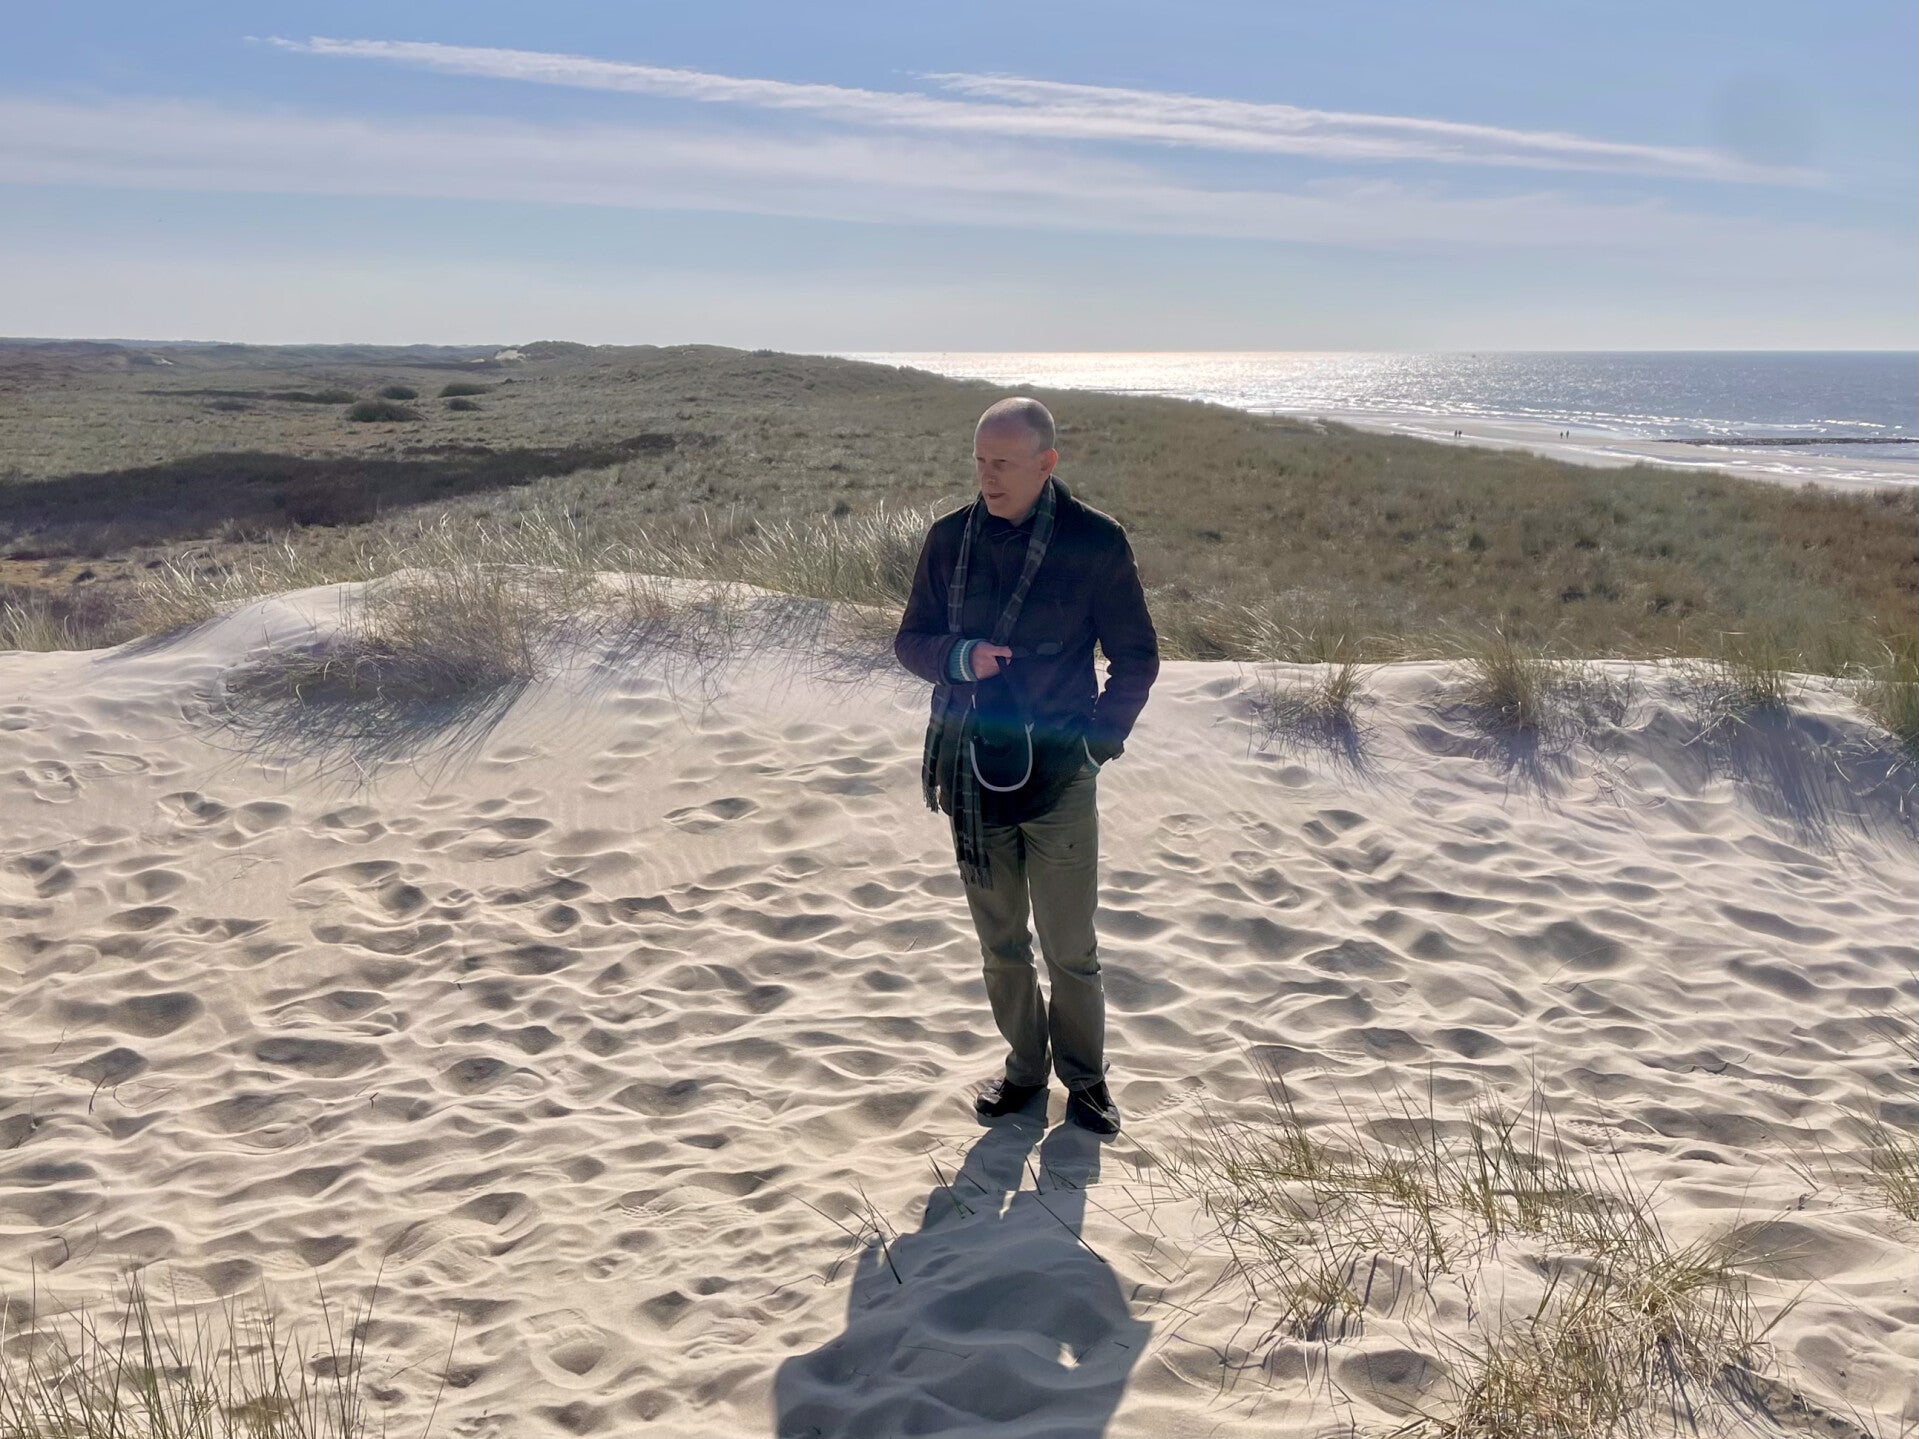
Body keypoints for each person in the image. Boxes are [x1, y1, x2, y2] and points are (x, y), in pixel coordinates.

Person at [893, 397, 1159, 1135]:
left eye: (1004, 463)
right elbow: (910, 640)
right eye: (980, 461)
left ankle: (1086, 1081)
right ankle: (1023, 1071)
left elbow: (1136, 658)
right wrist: (959, 657)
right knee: (1001, 944)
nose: (988, 477)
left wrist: (1097, 744)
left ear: (1046, 463)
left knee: (1070, 947)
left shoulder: (1095, 541)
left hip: (1061, 773)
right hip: (969, 769)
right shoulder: (949, 538)